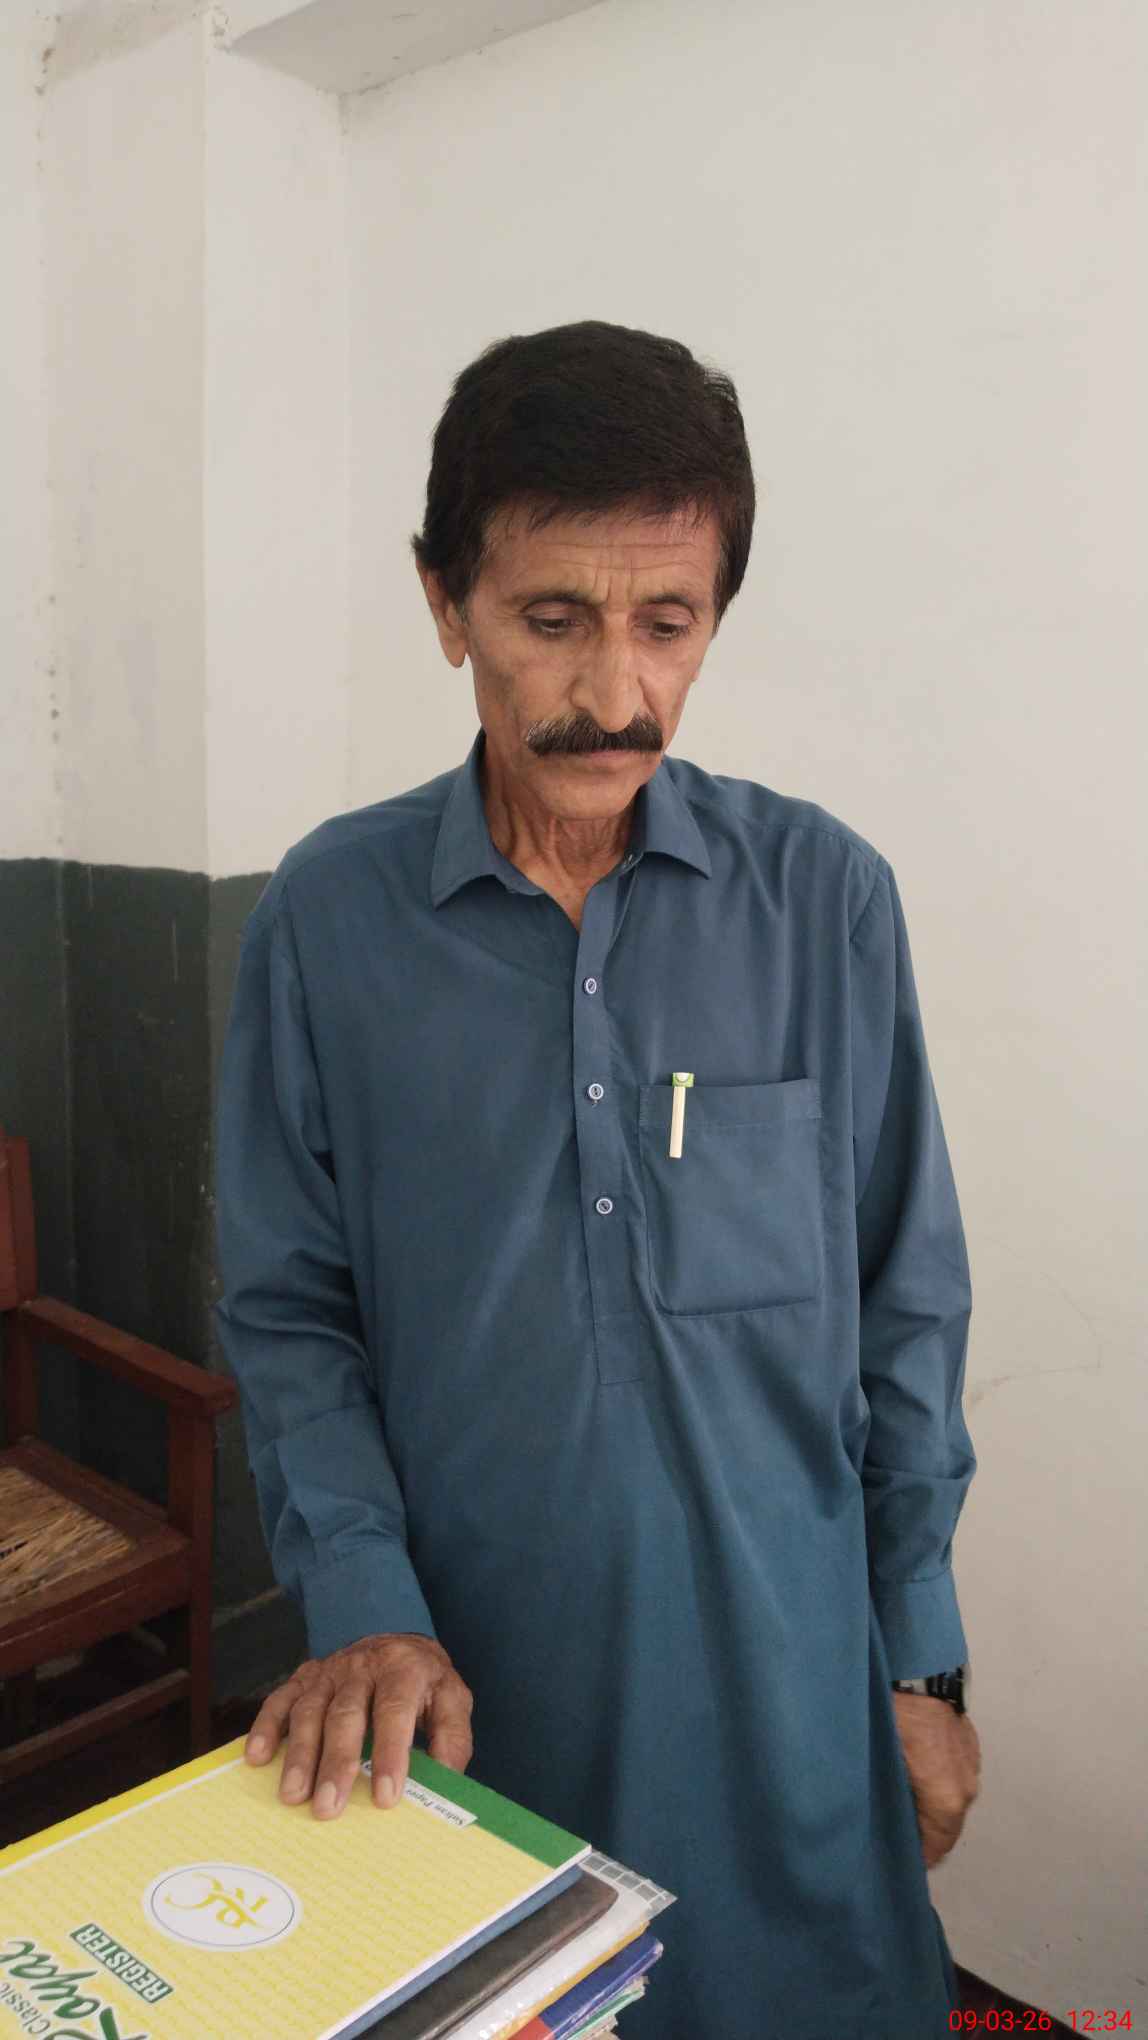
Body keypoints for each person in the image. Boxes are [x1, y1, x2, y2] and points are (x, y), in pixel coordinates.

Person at [214, 319, 981, 2040]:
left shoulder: (824, 901)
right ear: (446, 605)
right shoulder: (329, 920)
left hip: (796, 1711)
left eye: (668, 624)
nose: (616, 693)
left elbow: (906, 1301)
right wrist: (364, 1607)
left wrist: (921, 1659)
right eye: (552, 619)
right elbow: (290, 1307)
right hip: (475, 1702)